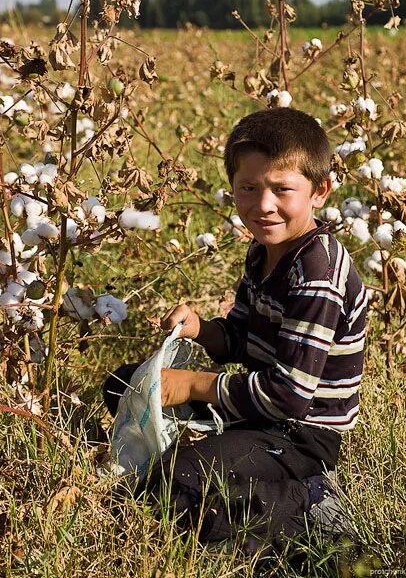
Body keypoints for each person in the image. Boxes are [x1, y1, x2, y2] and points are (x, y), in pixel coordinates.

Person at [102, 107, 367, 555]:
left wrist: (192, 385)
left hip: (299, 434)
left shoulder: (317, 275)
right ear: (233, 189)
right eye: (249, 188)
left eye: (282, 189)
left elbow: (288, 396)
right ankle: (217, 450)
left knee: (174, 487)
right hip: (258, 412)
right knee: (122, 386)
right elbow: (242, 341)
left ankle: (308, 502)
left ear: (319, 191)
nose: (263, 205)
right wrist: (201, 330)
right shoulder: (263, 251)